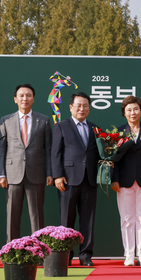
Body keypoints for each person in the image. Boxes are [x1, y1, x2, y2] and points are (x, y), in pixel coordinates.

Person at [0, 84, 53, 242]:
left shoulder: (44, 120)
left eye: (28, 95)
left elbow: (48, 149)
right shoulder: (5, 120)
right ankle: (12, 252)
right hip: (12, 175)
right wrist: (1, 174)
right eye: (21, 95)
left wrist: (49, 173)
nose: (25, 98)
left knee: (37, 216)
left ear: (33, 99)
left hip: (36, 174)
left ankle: (40, 251)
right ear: (15, 99)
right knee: (12, 217)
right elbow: (1, 149)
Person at [51, 92, 100, 266]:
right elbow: (55, 153)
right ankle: (66, 255)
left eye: (85, 105)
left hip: (90, 180)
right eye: (78, 105)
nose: (82, 108)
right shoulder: (61, 126)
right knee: (67, 220)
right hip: (68, 180)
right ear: (70, 107)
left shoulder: (95, 129)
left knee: (88, 220)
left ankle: (86, 255)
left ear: (89, 108)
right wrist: (57, 175)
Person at [111, 96, 141, 266]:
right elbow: (113, 159)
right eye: (129, 110)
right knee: (127, 218)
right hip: (123, 181)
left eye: (135, 109)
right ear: (124, 113)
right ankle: (129, 254)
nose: (132, 112)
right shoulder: (118, 132)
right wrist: (114, 179)